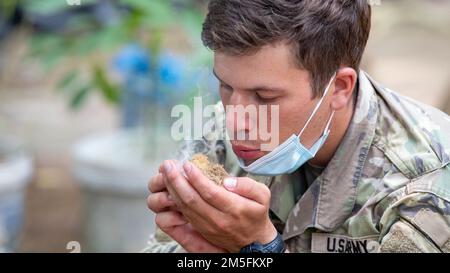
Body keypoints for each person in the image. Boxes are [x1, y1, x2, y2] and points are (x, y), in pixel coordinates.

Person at [144, 0, 450, 253]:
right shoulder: (215, 133)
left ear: (340, 88)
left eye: (264, 97)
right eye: (224, 86)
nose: (234, 122)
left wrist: (259, 248)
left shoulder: (426, 186)